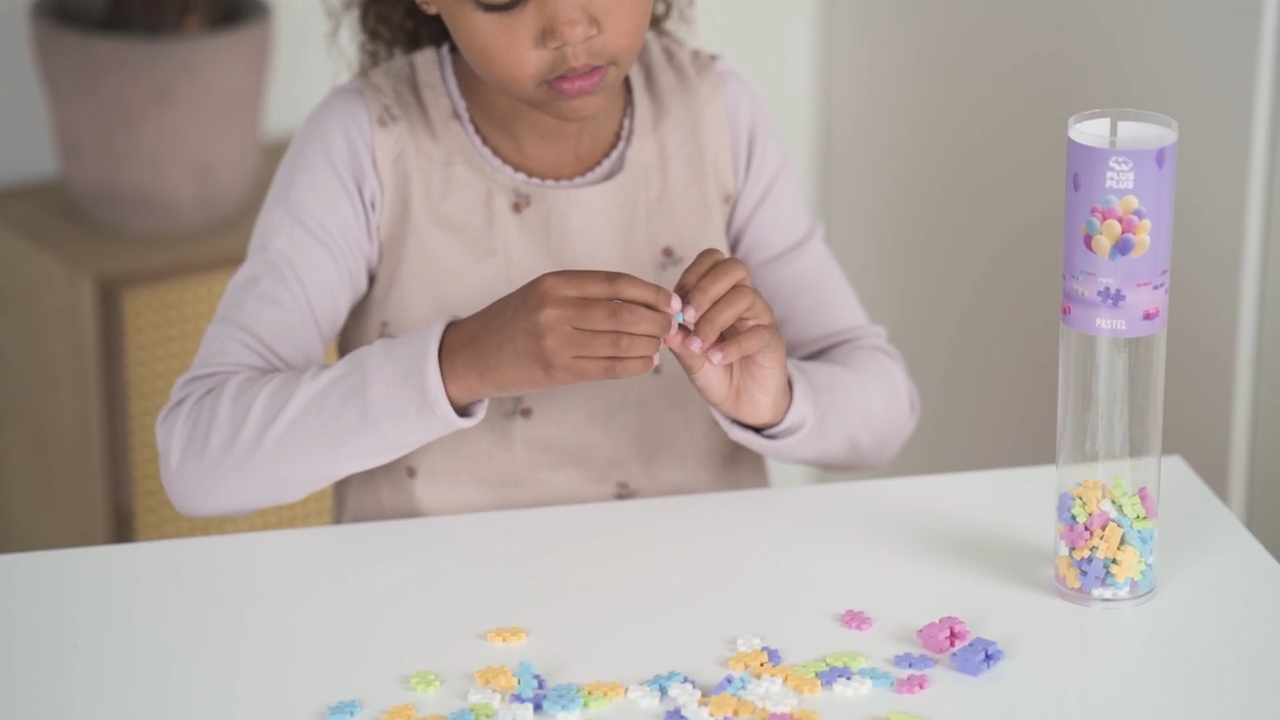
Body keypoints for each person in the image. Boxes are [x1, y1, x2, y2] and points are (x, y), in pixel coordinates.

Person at [154, 0, 920, 522]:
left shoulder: (717, 112)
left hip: (700, 630)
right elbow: (197, 463)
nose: (569, 26)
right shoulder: (365, 142)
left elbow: (886, 411)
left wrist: (775, 399)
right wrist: (459, 363)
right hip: (426, 640)